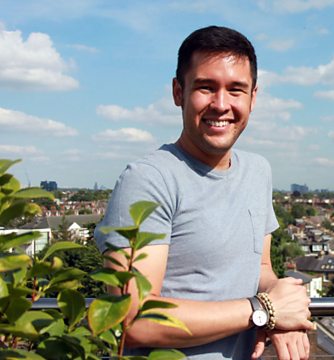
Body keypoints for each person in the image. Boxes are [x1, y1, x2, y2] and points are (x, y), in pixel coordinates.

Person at [95, 25, 313, 359]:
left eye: (236, 89)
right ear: (178, 92)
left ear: (253, 98)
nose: (221, 104)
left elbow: (259, 269)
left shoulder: (258, 171)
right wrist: (263, 309)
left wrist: (286, 310)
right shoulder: (148, 180)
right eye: (206, 87)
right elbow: (132, 320)